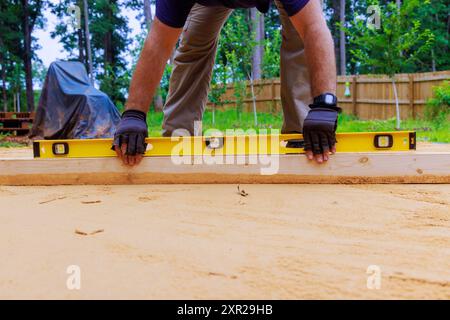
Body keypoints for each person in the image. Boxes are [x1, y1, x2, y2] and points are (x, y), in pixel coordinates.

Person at [113, 0, 341, 167]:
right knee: (193, 43)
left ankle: (303, 137)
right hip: (211, 3)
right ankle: (178, 138)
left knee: (299, 36)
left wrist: (324, 104)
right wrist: (134, 114)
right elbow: (159, 42)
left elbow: (313, 28)